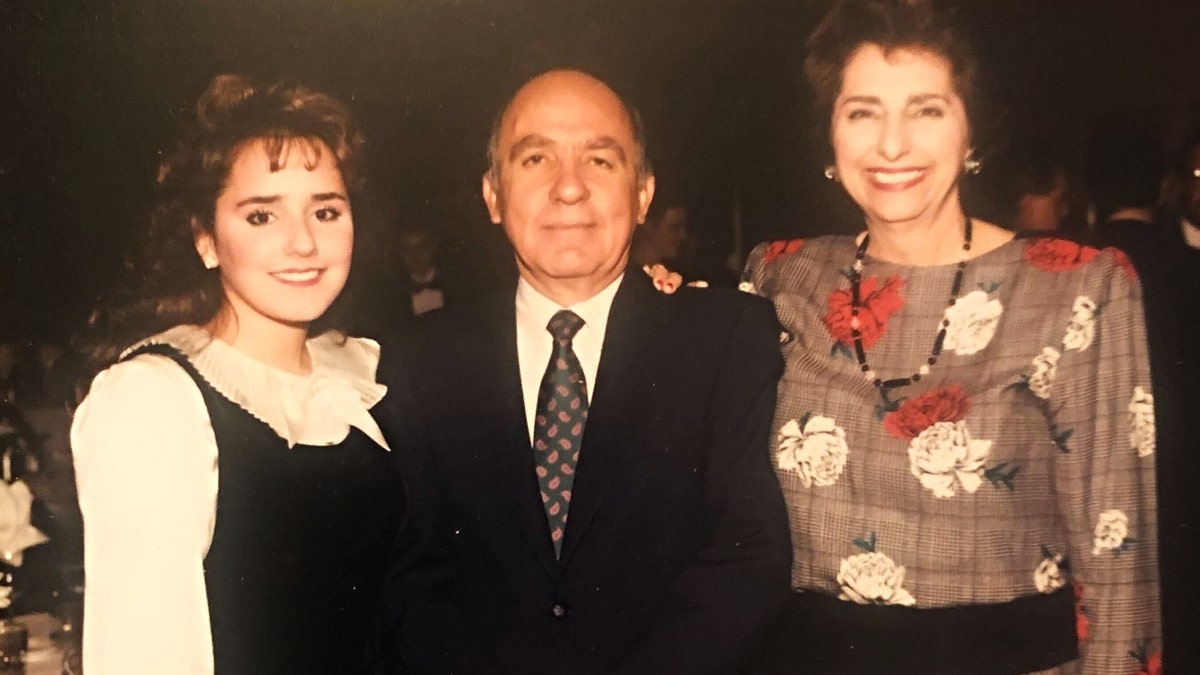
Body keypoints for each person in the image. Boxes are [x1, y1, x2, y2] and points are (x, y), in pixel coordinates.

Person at [739, 1, 1159, 672]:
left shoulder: (1077, 288)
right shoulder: (779, 274)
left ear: (972, 136)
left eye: (927, 110)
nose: (893, 144)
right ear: (831, 133)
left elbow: (1119, 567)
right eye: (863, 111)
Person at [381, 68, 791, 674]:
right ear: (493, 195)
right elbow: (410, 575)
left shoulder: (729, 337)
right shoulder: (416, 360)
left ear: (643, 194)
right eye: (535, 159)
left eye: (599, 161)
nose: (568, 188)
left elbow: (747, 555)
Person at [70, 74, 405, 673]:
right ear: (206, 240)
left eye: (326, 211)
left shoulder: (356, 376)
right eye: (261, 217)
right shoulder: (155, 400)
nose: (303, 243)